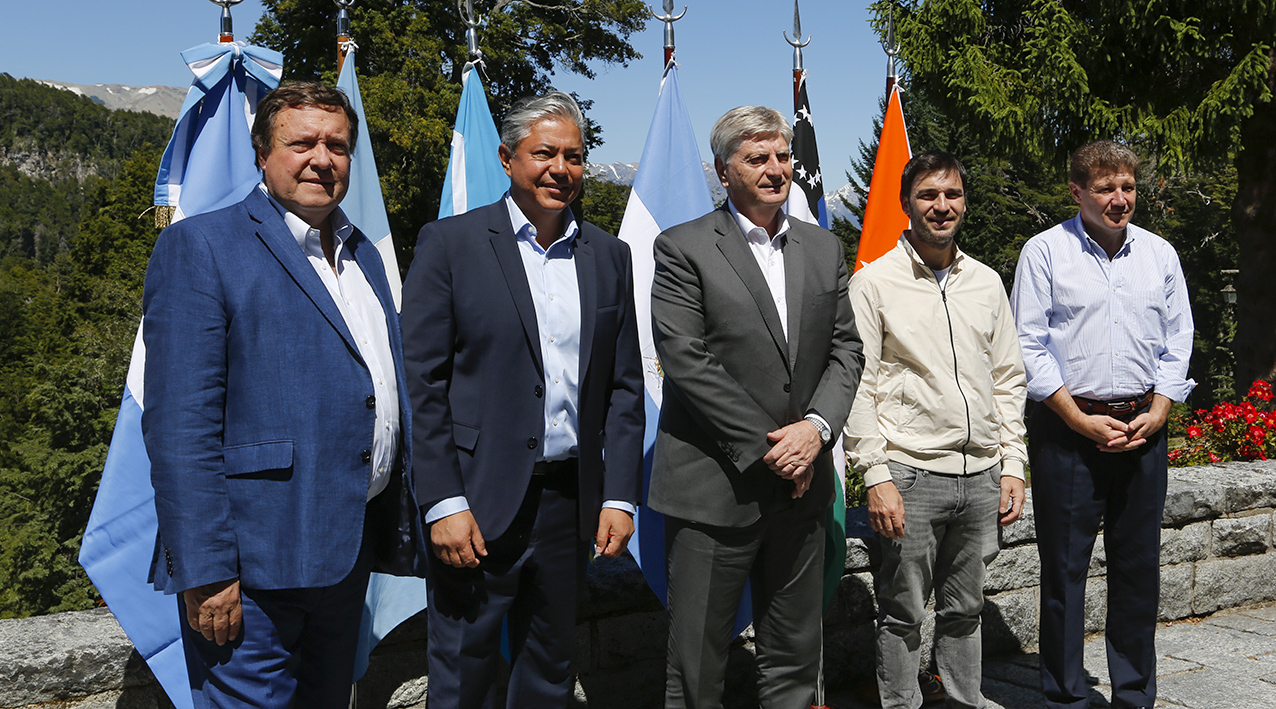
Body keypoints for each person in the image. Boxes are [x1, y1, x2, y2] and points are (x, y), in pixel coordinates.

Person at [141, 82, 425, 707]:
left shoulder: (363, 259)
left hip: (344, 554)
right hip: (251, 568)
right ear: (263, 156)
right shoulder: (202, 247)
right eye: (302, 143)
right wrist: (208, 569)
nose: (323, 158)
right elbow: (179, 426)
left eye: (338, 145)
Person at [402, 91, 645, 709]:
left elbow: (623, 387)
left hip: (570, 504)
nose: (560, 169)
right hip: (477, 500)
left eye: (575, 156)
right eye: (544, 154)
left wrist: (619, 495)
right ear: (509, 159)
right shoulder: (450, 243)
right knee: (464, 672)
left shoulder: (609, 256)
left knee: (551, 668)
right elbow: (422, 385)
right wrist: (442, 501)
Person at [648, 105, 863, 708]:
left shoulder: (823, 247)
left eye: (782, 156)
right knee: (698, 662)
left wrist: (816, 432)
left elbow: (847, 348)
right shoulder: (683, 248)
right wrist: (775, 449)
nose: (776, 169)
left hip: (803, 491)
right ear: (723, 170)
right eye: (757, 158)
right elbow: (687, 360)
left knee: (795, 656)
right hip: (717, 489)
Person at [1011, 140, 1194, 709]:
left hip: (1144, 427)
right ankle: (1066, 696)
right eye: (1105, 188)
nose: (1119, 199)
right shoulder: (1044, 253)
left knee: (1138, 568)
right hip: (1068, 432)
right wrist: (1078, 418)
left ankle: (1134, 694)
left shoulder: (1160, 255)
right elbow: (1029, 345)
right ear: (1077, 192)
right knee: (1064, 572)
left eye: (1128, 188)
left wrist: (1162, 406)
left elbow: (1178, 338)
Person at [843, 151, 1028, 709]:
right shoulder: (874, 283)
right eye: (928, 195)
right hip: (910, 474)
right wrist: (875, 473)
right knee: (901, 613)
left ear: (964, 202)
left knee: (965, 610)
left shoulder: (987, 282)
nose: (941, 206)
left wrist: (1013, 462)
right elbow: (859, 386)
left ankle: (963, 702)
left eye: (951, 194)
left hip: (981, 475)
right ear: (906, 205)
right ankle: (901, 703)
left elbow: (1008, 377)